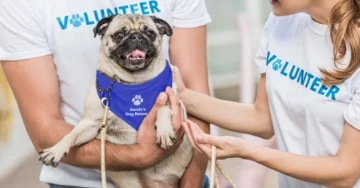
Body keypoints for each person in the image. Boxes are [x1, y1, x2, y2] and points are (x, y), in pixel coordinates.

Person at [0, 0, 212, 187]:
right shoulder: (22, 4)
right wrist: (141, 156)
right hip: (83, 182)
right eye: (121, 35)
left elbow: (199, 102)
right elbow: (43, 130)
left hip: (178, 176)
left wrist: (191, 183)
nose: (135, 39)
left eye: (146, 34)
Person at [168, 0, 360, 187]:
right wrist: (182, 95)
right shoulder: (282, 20)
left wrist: (248, 151)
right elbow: (263, 118)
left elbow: (345, 172)